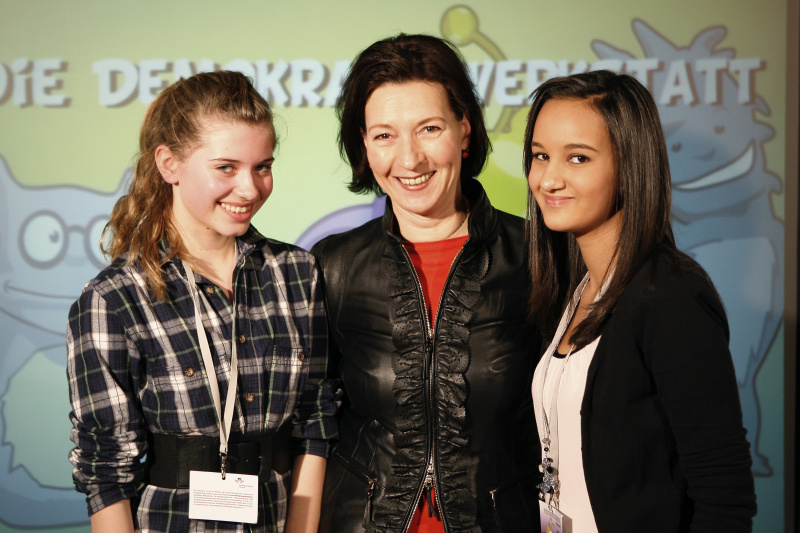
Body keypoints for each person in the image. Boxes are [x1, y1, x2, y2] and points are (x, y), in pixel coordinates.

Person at [67, 71, 337, 533]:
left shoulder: (297, 272)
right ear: (169, 164)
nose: (250, 189)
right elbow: (106, 468)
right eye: (226, 167)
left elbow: (314, 419)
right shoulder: (113, 298)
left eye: (263, 166)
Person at [312, 34, 540, 532]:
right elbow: (310, 422)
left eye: (429, 129)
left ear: (464, 129)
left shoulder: (536, 255)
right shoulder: (332, 264)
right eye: (385, 135)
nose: (409, 159)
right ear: (364, 145)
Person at [523, 70, 757, 532]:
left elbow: (723, 494)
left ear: (629, 169)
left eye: (578, 158)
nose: (549, 178)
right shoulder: (576, 288)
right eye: (540, 156)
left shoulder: (670, 295)